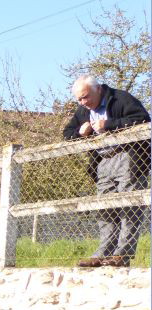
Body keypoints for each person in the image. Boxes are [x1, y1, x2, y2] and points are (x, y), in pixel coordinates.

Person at [63, 75, 150, 268]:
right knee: (105, 208)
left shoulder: (121, 98)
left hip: (129, 157)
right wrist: (80, 132)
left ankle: (122, 255)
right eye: (79, 99)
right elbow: (66, 134)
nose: (83, 102)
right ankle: (103, 253)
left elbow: (142, 119)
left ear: (98, 89)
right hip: (103, 161)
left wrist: (108, 125)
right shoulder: (83, 110)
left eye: (85, 97)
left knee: (129, 206)